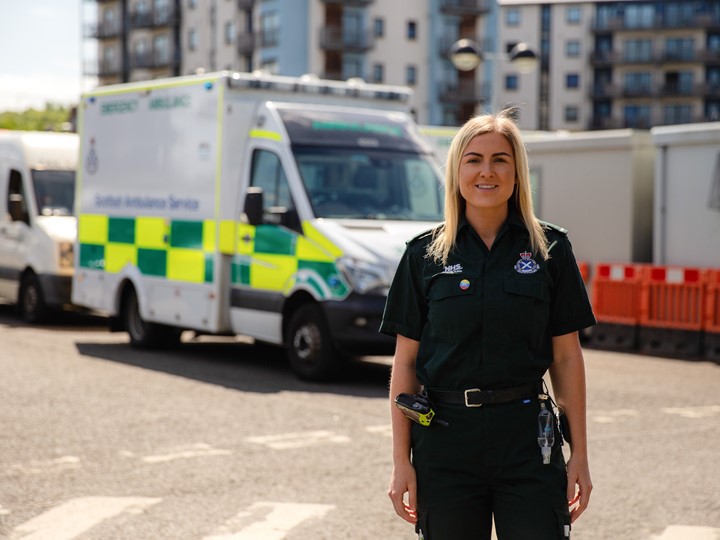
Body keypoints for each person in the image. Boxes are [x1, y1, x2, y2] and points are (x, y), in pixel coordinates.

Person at [380, 110, 596, 540]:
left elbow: (566, 357)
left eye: (500, 160)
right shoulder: (423, 255)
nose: (487, 171)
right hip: (445, 443)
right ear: (457, 170)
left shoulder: (550, 249)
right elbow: (406, 363)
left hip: (529, 443)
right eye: (473, 159)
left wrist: (580, 455)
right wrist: (401, 460)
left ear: (517, 173)